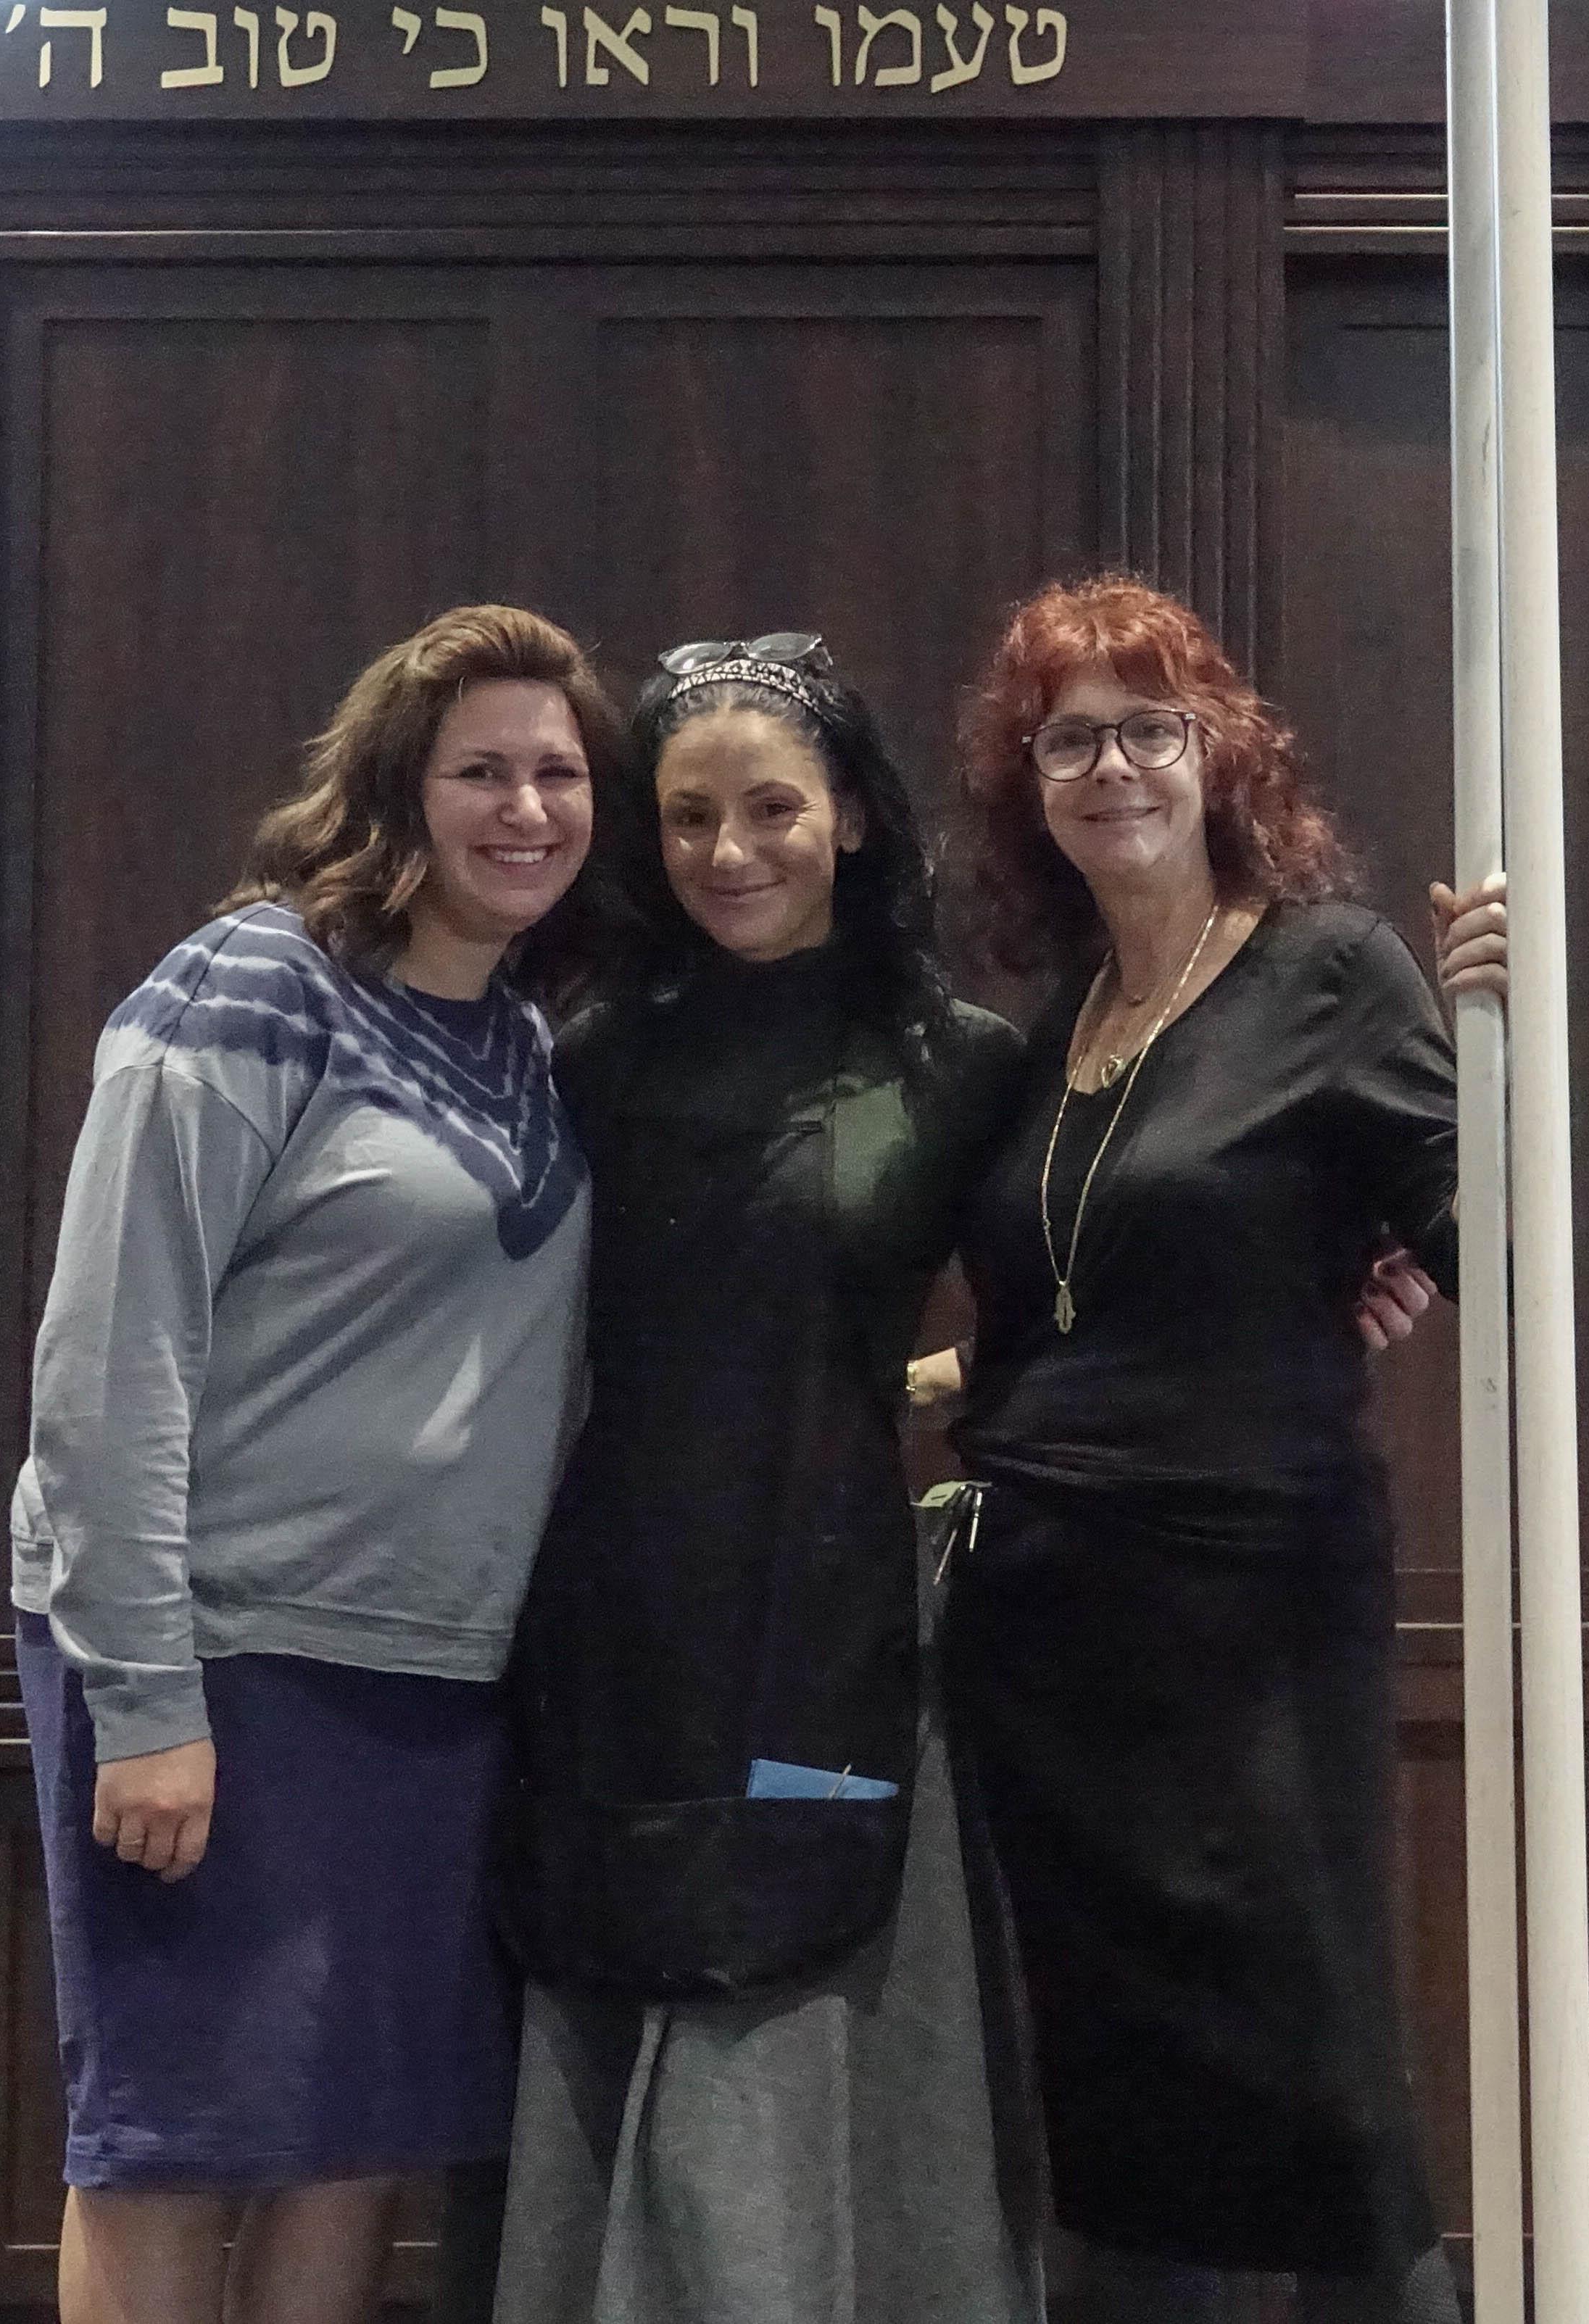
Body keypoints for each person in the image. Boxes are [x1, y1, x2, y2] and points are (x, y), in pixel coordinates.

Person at [9, 604, 628, 2324]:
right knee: (175, 2138)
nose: (526, 808)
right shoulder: (255, 983)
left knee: (355, 2140)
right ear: (397, 787)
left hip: (428, 1682)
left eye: (560, 772)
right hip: (219, 1658)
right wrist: (147, 1696)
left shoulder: (528, 1042)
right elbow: (110, 1355)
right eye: (481, 771)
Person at [919, 573, 1505, 2324]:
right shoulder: (1051, 1036)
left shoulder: (1330, 968)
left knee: (1322, 2093)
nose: (1110, 767)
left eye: (1147, 729)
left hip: (1252, 1621)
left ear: (1218, 754)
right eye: (1068, 740)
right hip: (1045, 1636)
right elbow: (1062, 1315)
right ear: (1029, 784)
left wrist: (1505, 1053)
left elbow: (1493, 1246)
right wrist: (917, 1379)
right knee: (1113, 2108)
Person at [476, 634, 1042, 2324]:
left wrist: (906, 1388)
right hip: (609, 1617)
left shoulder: (961, 1063)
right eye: (688, 816)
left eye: (772, 808)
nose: (729, 851)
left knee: (791, 2002)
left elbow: (1075, 1307)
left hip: (827, 1622)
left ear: (850, 815)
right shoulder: (582, 1059)